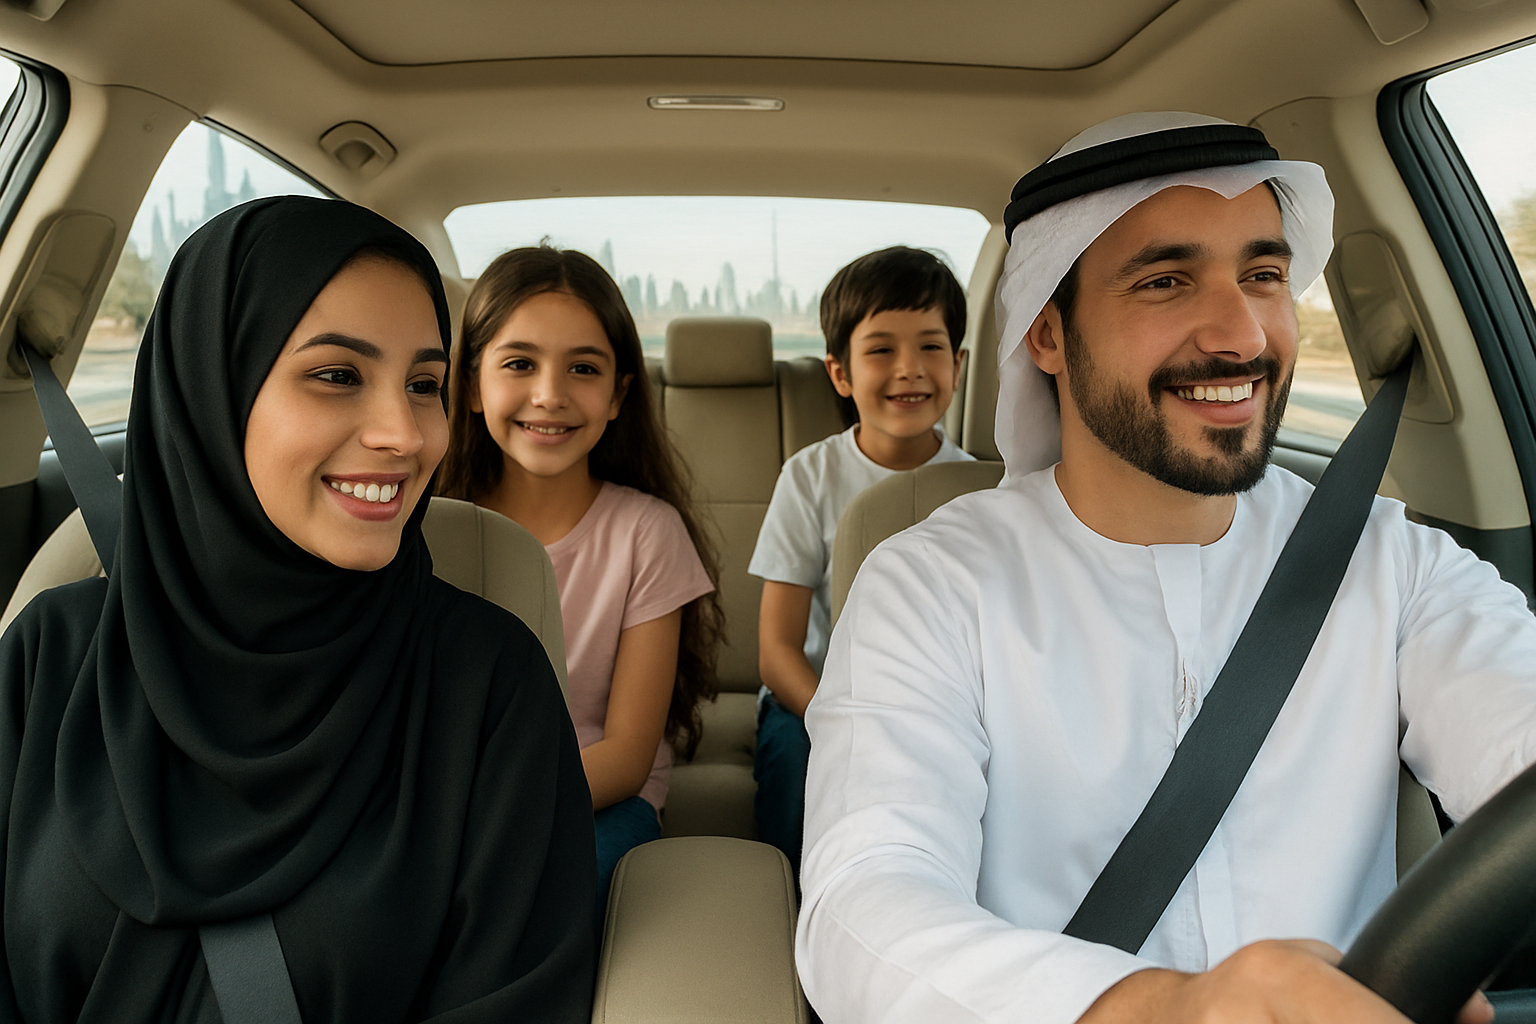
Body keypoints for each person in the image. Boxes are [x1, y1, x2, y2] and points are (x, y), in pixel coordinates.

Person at [796, 112, 1536, 1024]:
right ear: (1047, 335)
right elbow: (863, 904)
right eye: (1165, 282)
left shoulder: (1393, 563)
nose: (1241, 335)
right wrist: (1154, 1009)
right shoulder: (930, 586)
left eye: (1263, 276)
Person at [0, 197, 596, 1022]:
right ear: (212, 385)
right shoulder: (48, 658)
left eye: (424, 385)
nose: (404, 434)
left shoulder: (490, 687)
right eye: (338, 375)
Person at [437, 245, 722, 908]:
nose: (550, 395)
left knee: (527, 906)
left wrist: (483, 815)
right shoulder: (430, 530)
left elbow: (626, 755)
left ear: (619, 394)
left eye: (584, 368)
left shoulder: (648, 533)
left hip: (599, 799)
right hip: (448, 802)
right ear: (472, 384)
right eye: (519, 363)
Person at [748, 246, 973, 873]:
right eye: (881, 350)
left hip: (939, 706)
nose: (910, 369)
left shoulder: (980, 489)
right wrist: (841, 719)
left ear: (958, 365)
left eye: (931, 347)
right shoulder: (810, 477)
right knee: (796, 766)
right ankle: (796, 900)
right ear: (840, 373)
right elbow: (777, 652)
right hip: (813, 700)